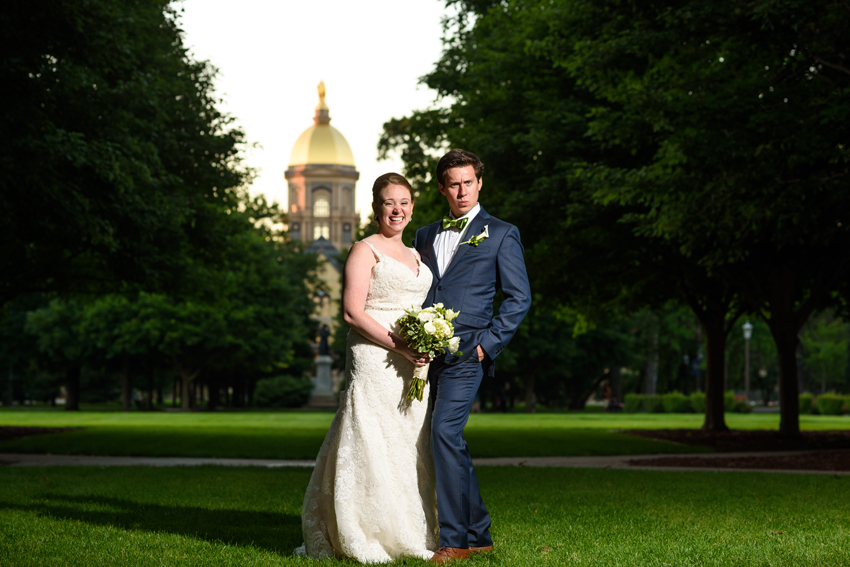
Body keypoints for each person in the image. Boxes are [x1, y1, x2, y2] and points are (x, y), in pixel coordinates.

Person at [296, 173, 439, 562]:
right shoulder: (364, 249)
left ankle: (409, 530)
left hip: (414, 360)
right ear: (376, 208)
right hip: (376, 356)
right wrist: (402, 346)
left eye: (404, 202)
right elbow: (351, 312)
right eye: (389, 202)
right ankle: (361, 531)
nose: (398, 209)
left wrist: (427, 340)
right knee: (371, 438)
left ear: (412, 207)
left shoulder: (417, 255)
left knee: (407, 438)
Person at [413, 149, 532, 564]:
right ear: (442, 188)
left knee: (444, 434)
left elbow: (519, 298)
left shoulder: (501, 232)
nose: (461, 191)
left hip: (469, 355)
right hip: (427, 357)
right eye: (453, 184)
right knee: (448, 441)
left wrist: (487, 344)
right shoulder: (424, 236)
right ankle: (479, 533)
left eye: (468, 182)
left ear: (479, 183)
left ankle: (455, 542)